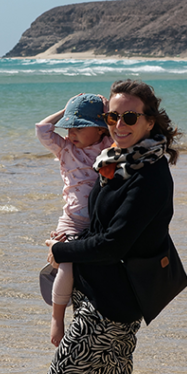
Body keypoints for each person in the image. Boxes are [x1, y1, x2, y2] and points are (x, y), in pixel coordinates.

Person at [38, 79, 181, 374]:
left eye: (130, 117)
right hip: (109, 301)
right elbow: (99, 228)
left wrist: (61, 250)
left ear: (150, 121)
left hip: (108, 307)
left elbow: (115, 242)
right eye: (112, 116)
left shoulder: (150, 175)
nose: (119, 124)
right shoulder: (117, 160)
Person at [36, 93, 113, 347]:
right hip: (70, 223)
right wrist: (65, 108)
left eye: (79, 127)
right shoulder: (65, 149)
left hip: (98, 225)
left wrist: (107, 108)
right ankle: (57, 317)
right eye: (69, 127)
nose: (71, 133)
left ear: (101, 129)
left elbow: (123, 130)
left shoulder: (108, 147)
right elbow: (43, 129)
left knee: (88, 273)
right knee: (67, 266)